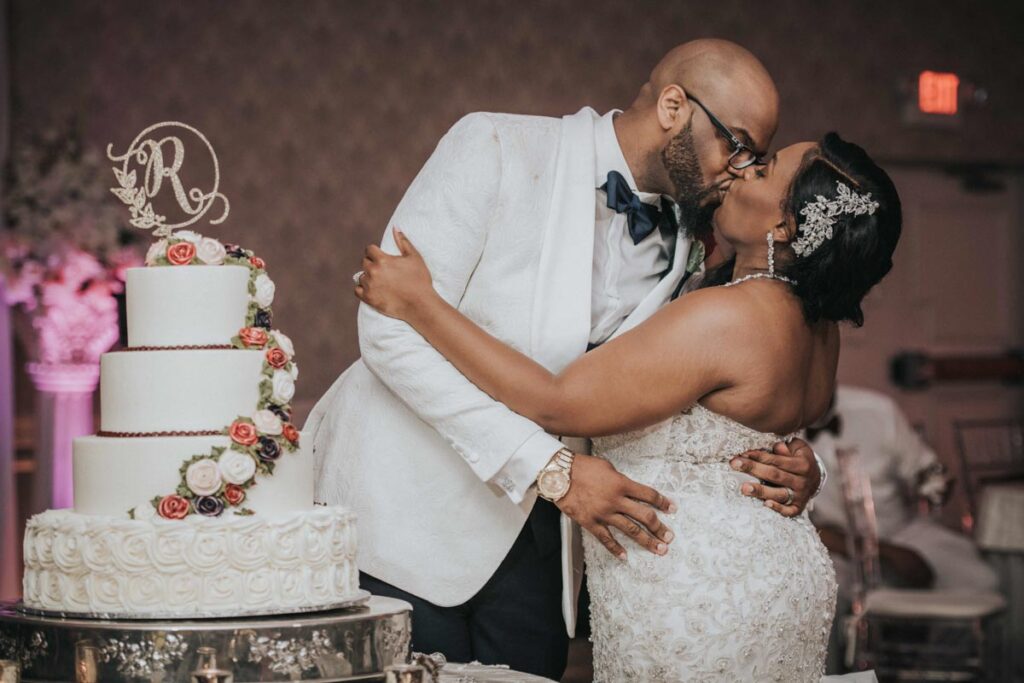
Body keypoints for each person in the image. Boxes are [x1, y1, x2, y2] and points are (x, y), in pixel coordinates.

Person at [307, 39, 824, 678]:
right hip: (406, 518)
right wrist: (549, 468)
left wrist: (795, 461)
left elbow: (708, 379)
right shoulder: (495, 145)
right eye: (737, 145)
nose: (742, 171)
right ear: (673, 107)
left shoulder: (701, 235)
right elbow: (389, 331)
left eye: (758, 159)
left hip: (549, 550)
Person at [355, 132, 903, 679]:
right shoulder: (819, 327)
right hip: (779, 577)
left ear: (784, 228)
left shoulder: (729, 316)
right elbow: (755, 432)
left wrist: (421, 304)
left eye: (762, 171)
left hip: (696, 590)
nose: (741, 170)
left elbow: (554, 403)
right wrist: (812, 470)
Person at [810, 385, 999, 593]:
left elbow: (924, 469)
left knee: (981, 580)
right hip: (831, 547)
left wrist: (935, 483)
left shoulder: (877, 409)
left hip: (900, 533)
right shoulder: (783, 423)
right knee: (822, 591)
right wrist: (885, 552)